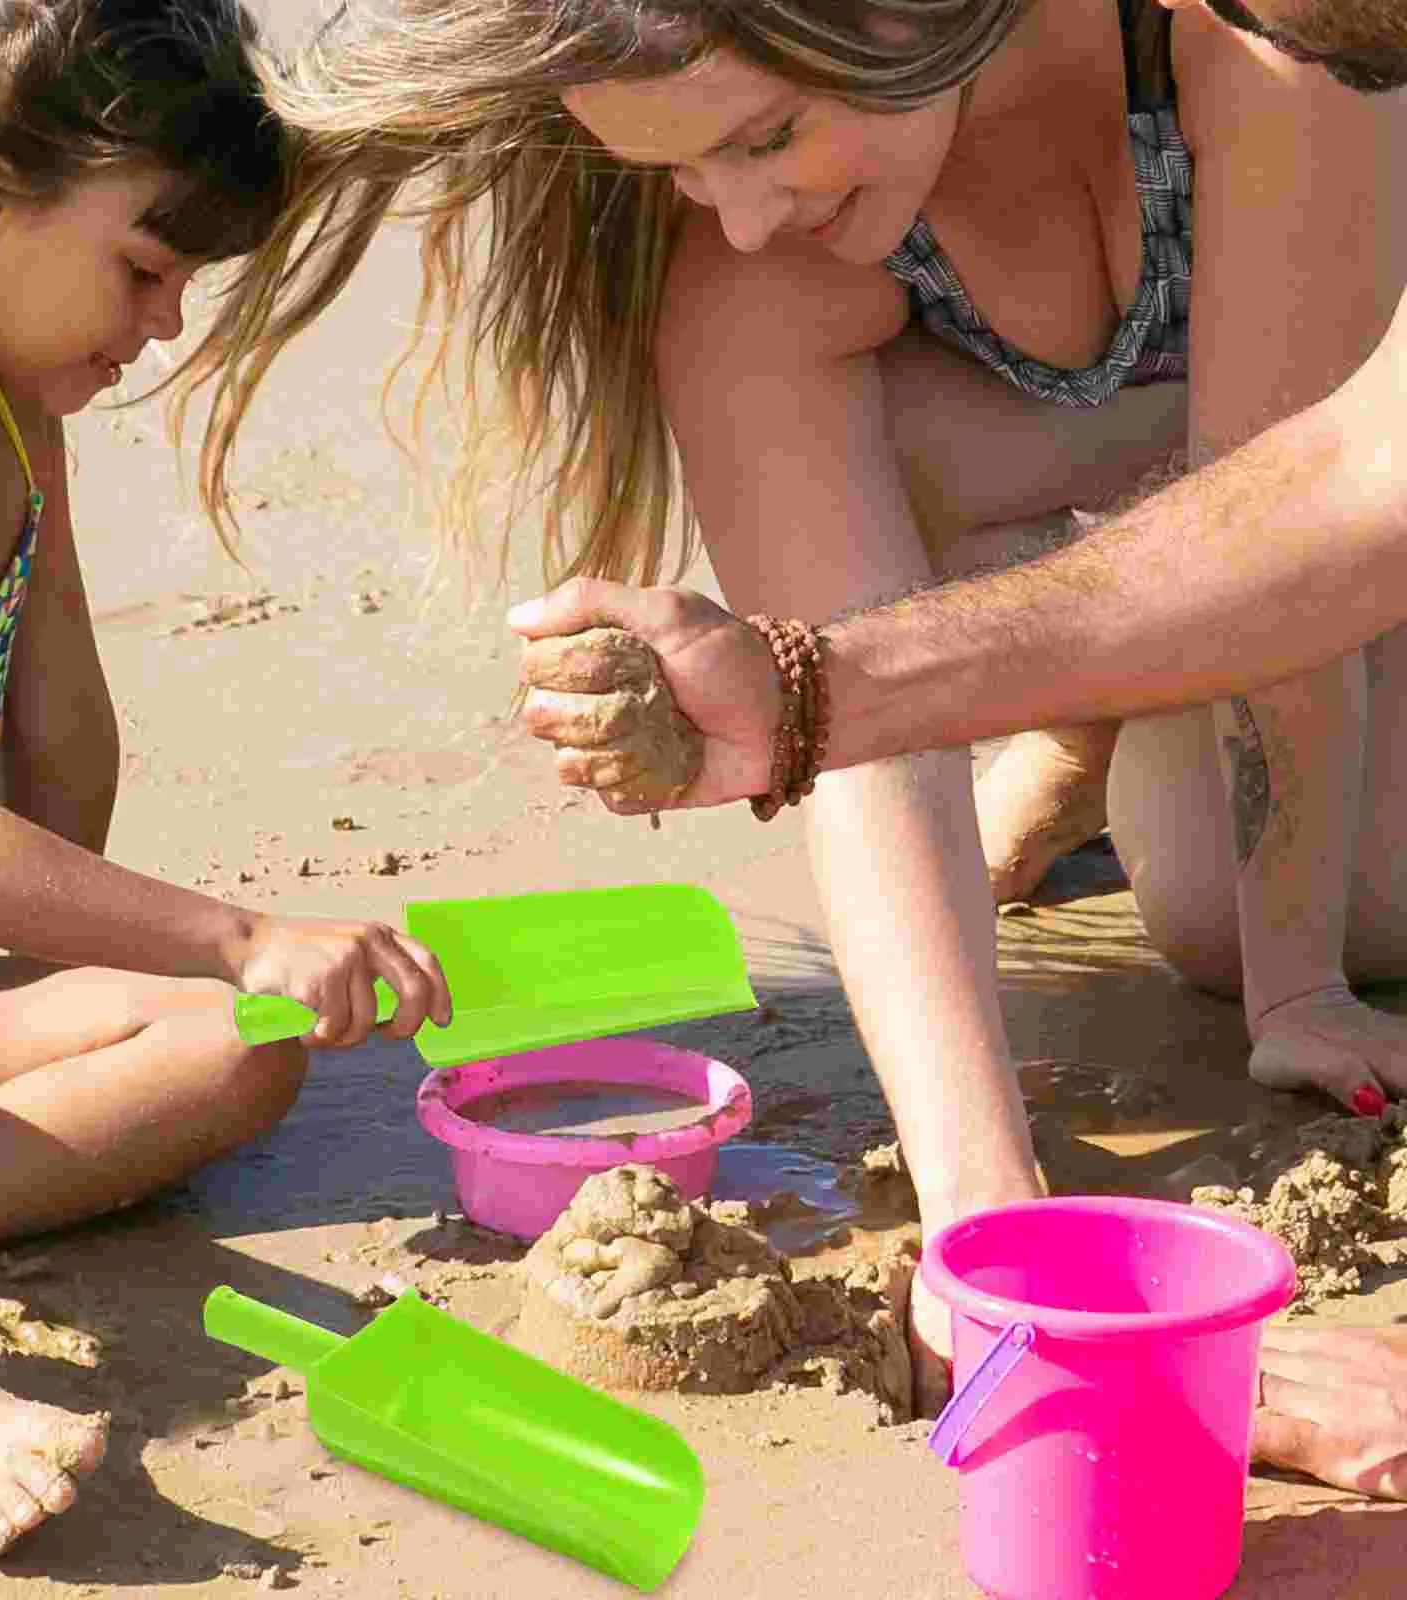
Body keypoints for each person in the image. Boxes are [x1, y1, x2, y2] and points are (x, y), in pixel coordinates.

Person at [212, 0, 1407, 1425]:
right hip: (1155, 513)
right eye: (680, 173)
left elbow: (1311, 520)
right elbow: (837, 717)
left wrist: (1299, 980)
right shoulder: (741, 256)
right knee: (1200, 908)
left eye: (766, 137)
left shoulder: (1273, 36)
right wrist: (984, 1226)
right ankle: (1090, 712)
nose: (740, 215)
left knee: (1275, 914)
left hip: (1340, 494)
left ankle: (1087, 718)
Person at [0, 0, 451, 1559]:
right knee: (237, 971)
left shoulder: (13, 426)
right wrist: (241, 927)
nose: (160, 325)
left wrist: (236, 972)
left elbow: (58, 794)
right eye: (142, 269)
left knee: (243, 1046)